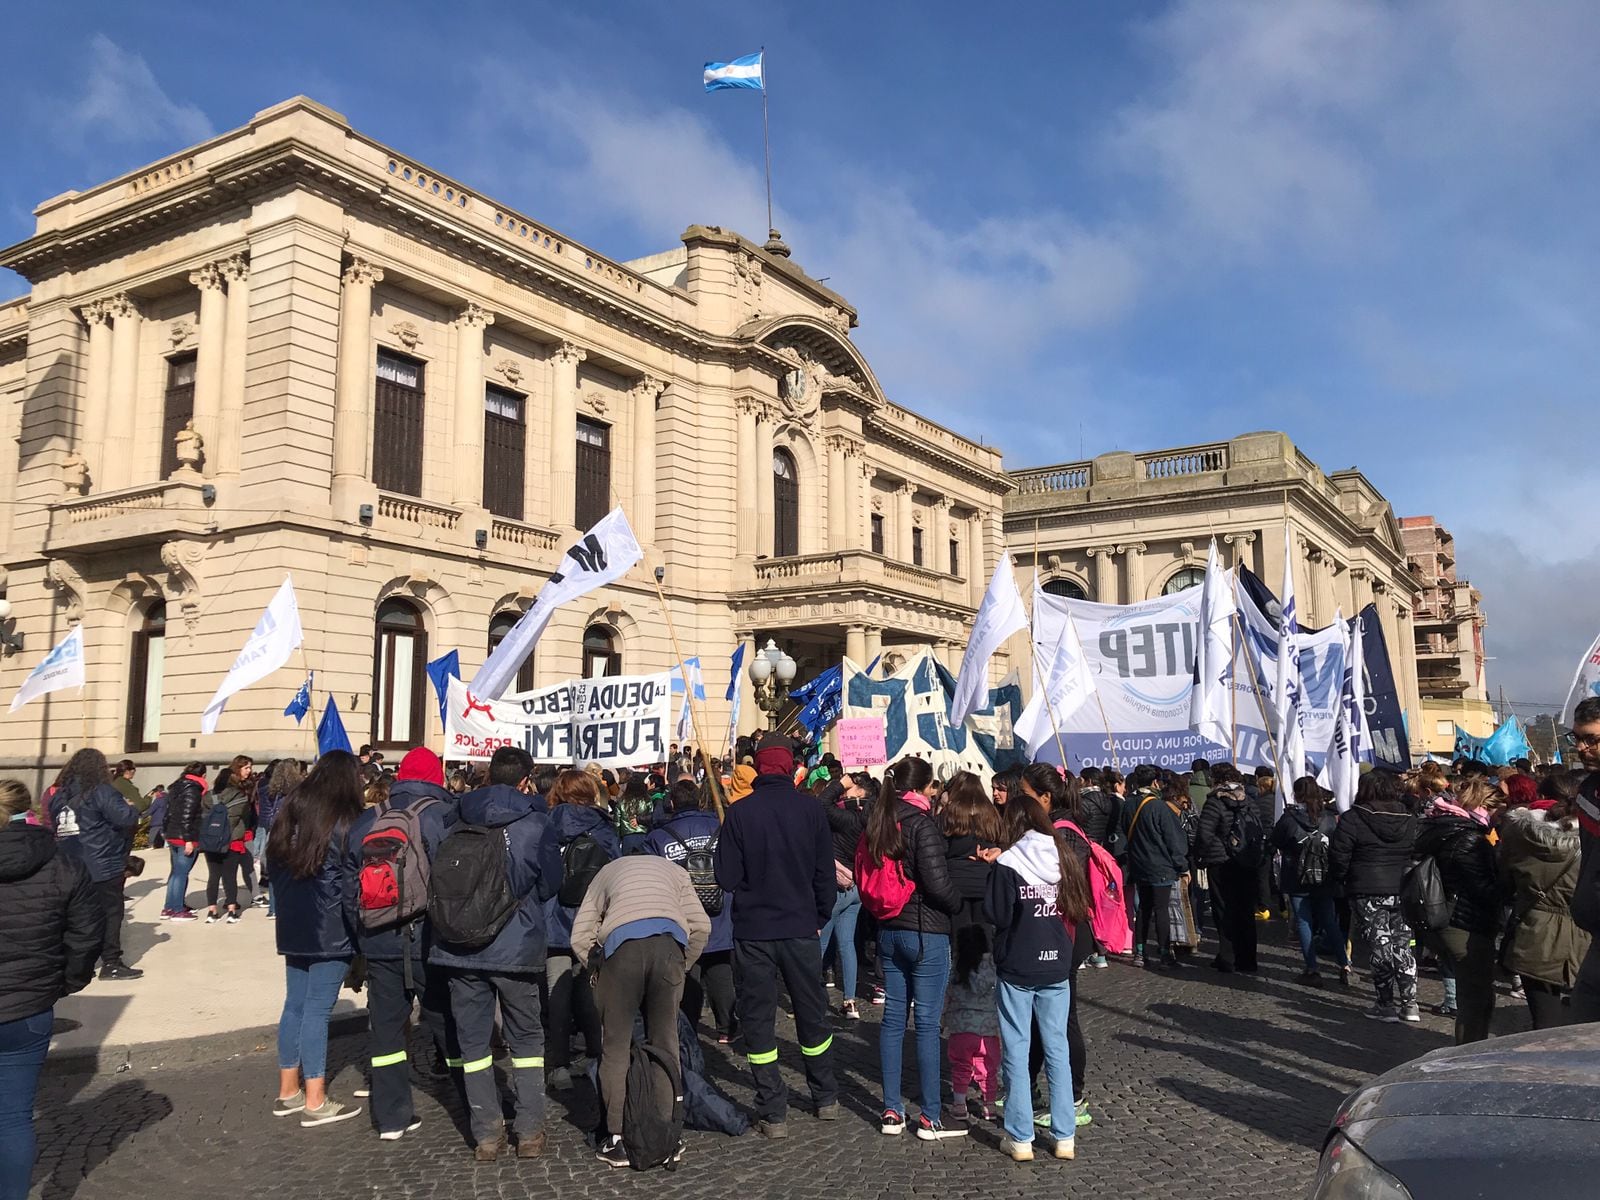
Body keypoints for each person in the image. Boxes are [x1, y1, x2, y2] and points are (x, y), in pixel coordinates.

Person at [714, 734, 839, 1138]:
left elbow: (726, 878)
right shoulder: (811, 810)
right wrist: (819, 915)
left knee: (759, 1021)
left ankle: (773, 1110)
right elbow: (825, 874)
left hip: (754, 932)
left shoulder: (739, 813)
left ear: (759, 766)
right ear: (789, 766)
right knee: (811, 1013)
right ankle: (825, 1097)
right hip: (802, 927)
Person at [432, 746, 553, 1160]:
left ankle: (486, 1134)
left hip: (457, 945)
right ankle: (530, 1133)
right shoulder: (536, 821)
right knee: (526, 1040)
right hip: (516, 945)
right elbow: (551, 881)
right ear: (525, 780)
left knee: (473, 1044)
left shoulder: (453, 814)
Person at [571, 851, 711, 1167]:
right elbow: (701, 925)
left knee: (616, 1048)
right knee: (666, 1044)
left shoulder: (605, 873)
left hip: (620, 952)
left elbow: (580, 936)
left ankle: (617, 1139)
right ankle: (667, 1135)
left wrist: (596, 974)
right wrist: (682, 965)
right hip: (668, 948)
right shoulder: (675, 872)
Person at [0, 779, 101, 1200]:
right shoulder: (64, 864)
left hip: (30, 998)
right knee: (14, 1118)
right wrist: (66, 983)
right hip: (30, 1005)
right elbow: (86, 935)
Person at [352, 746, 457, 1141]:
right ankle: (474, 1103)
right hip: (428, 937)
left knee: (387, 1030)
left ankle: (392, 1117)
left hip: (378, 938)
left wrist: (361, 934)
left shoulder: (367, 820)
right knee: (447, 1020)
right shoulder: (441, 816)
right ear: (434, 777)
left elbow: (352, 882)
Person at [857, 755, 963, 1140]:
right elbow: (936, 884)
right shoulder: (922, 824)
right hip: (924, 930)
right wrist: (957, 904)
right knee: (927, 1025)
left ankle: (890, 1110)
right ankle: (931, 1116)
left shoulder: (878, 819)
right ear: (923, 787)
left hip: (887, 928)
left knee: (892, 1020)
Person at [984, 791, 1091, 1163]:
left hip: (1017, 963)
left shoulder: (1009, 862)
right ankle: (1065, 1136)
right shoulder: (1064, 855)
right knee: (1056, 1047)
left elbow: (997, 914)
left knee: (1016, 1047)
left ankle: (1020, 1136)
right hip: (1056, 962)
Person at [268, 750, 364, 1127]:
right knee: (317, 1010)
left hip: (294, 922)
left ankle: (288, 1089)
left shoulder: (291, 810)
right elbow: (351, 880)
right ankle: (315, 1098)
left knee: (295, 1004)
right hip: (331, 927)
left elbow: (270, 865)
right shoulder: (345, 821)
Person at [537, 769, 620, 1091]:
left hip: (554, 920)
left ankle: (559, 1065)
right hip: (593, 921)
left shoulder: (547, 824)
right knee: (590, 989)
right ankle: (595, 1055)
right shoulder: (604, 828)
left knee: (557, 993)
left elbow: (541, 876)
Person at [644, 778, 735, 1038]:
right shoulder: (719, 825)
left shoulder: (658, 837)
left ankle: (688, 1025)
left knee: (688, 970)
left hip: (681, 912)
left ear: (672, 803)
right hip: (720, 911)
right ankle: (727, 1026)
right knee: (720, 968)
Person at [1329, 769, 1420, 1023]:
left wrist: (1340, 880)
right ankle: (1410, 1004)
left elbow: (1339, 856)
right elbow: (1416, 851)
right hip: (1402, 887)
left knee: (1380, 945)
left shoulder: (1353, 818)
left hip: (1366, 888)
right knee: (1403, 945)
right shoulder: (1409, 817)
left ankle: (1385, 1003)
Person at [1501, 769, 1589, 1029]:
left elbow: (1505, 883)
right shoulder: (1590, 837)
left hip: (1535, 932)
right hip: (1585, 933)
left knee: (1544, 1023)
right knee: (1588, 1025)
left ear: (1541, 795)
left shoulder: (1517, 833)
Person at [1416, 777, 1502, 1044]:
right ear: (1483, 806)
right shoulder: (1468, 838)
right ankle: (1470, 1055)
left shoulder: (1445, 826)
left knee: (1473, 995)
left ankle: (1471, 1048)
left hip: (1449, 917)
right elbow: (1484, 889)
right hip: (1465, 921)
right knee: (1475, 999)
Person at [49, 748, 141, 980]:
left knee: (76, 916)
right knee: (111, 913)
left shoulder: (59, 795)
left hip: (68, 865)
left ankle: (71, 962)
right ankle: (111, 962)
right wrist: (129, 806)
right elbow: (126, 818)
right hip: (101, 863)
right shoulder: (101, 791)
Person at [1273, 777, 1350, 985]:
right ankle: (1345, 964)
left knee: (1304, 923)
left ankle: (1312, 968)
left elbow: (1276, 841)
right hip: (1324, 877)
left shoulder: (1289, 818)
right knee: (1329, 921)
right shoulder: (1329, 818)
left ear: (1296, 794)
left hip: (1297, 876)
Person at [1194, 763, 1263, 975]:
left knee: (1224, 910)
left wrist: (1200, 856)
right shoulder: (1249, 800)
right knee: (1245, 911)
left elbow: (1205, 833)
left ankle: (1228, 958)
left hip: (1221, 862)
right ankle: (1248, 960)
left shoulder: (1215, 801)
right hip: (1247, 861)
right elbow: (1258, 828)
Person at [1124, 762, 1189, 970]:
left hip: (1138, 863)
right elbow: (1172, 839)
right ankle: (1164, 952)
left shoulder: (1128, 803)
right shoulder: (1158, 806)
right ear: (1155, 782)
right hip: (1160, 865)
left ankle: (1140, 952)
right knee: (1161, 910)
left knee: (1143, 907)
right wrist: (1182, 865)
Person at [818, 772, 869, 1019]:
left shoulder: (848, 818)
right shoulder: (871, 818)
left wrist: (841, 783)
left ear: (862, 793)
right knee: (847, 944)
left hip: (836, 886)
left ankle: (812, 999)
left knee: (820, 942)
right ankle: (850, 1001)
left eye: (854, 787)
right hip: (856, 887)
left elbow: (821, 803)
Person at [942, 924, 999, 1124]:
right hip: (987, 1030)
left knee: (960, 1067)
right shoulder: (992, 967)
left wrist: (942, 1020)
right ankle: (989, 1105)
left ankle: (959, 1105)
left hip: (960, 1029)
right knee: (988, 1069)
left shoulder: (955, 967)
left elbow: (946, 996)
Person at [203, 761, 257, 925]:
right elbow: (244, 817)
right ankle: (232, 910)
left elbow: (203, 817)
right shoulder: (239, 796)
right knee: (229, 876)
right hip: (232, 841)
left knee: (213, 876)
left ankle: (212, 911)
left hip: (211, 841)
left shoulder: (208, 796)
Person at [160, 763, 209, 922]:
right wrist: (188, 839)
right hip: (185, 837)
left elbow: (169, 812)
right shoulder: (193, 790)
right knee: (181, 873)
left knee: (175, 872)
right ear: (202, 775)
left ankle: (170, 906)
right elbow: (187, 816)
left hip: (173, 834)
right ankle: (177, 910)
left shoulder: (177, 787)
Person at [258, 759, 303, 919]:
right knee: (292, 871)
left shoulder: (268, 790)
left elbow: (265, 814)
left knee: (274, 871)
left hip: (274, 832)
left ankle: (273, 908)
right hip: (291, 832)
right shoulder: (298, 790)